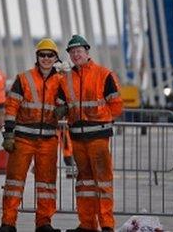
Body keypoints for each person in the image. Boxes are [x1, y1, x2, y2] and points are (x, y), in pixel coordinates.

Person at [0, 39, 67, 232]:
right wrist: (8, 134)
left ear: (55, 58)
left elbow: (68, 101)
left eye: (50, 55)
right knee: (14, 182)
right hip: (23, 139)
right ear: (37, 57)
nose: (46, 58)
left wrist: (64, 107)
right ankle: (8, 223)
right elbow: (11, 107)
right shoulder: (24, 78)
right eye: (42, 55)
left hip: (48, 140)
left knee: (47, 185)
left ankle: (44, 223)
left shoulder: (61, 80)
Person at [59, 35, 124, 232]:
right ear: (69, 56)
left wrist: (103, 121)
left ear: (87, 52)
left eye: (79, 51)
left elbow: (116, 104)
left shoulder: (104, 74)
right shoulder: (66, 79)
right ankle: (87, 224)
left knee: (103, 182)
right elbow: (61, 105)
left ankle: (106, 225)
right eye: (72, 52)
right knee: (84, 183)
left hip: (98, 138)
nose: (76, 54)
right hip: (78, 138)